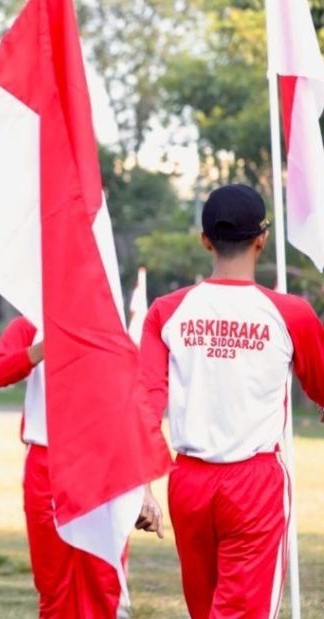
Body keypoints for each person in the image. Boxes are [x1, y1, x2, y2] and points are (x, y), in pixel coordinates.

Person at [140, 184, 324, 618]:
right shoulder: (291, 313)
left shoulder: (166, 312)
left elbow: (144, 404)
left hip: (187, 484)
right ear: (262, 240)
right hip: (254, 484)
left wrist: (142, 485)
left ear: (206, 240)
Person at [0, 317, 151, 617]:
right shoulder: (30, 322)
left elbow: (133, 408)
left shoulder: (107, 322)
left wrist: (144, 488)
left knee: (103, 581)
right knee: (53, 585)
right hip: (46, 464)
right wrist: (43, 349)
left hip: (101, 466)